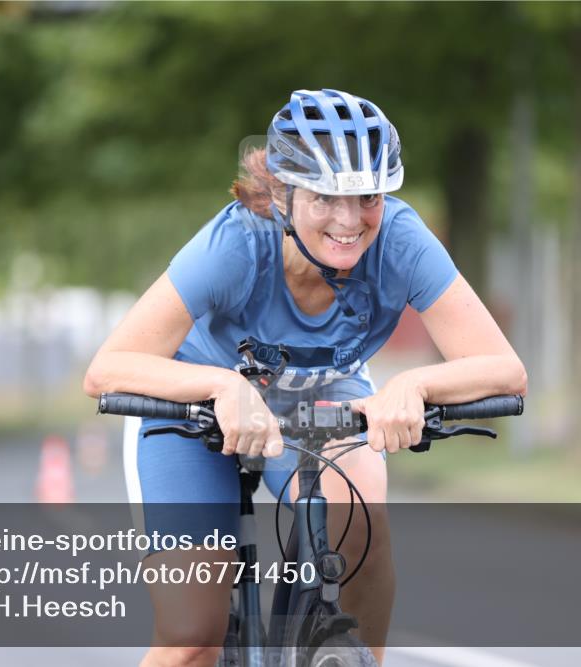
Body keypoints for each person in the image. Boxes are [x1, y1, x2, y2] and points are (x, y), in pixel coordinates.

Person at [83, 88, 527, 667]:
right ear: (285, 193)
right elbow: (106, 369)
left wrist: (415, 386)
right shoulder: (237, 244)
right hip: (195, 401)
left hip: (322, 400)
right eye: (325, 198)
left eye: (367, 197)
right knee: (192, 638)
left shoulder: (399, 240)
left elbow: (505, 371)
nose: (349, 221)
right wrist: (221, 387)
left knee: (363, 512)